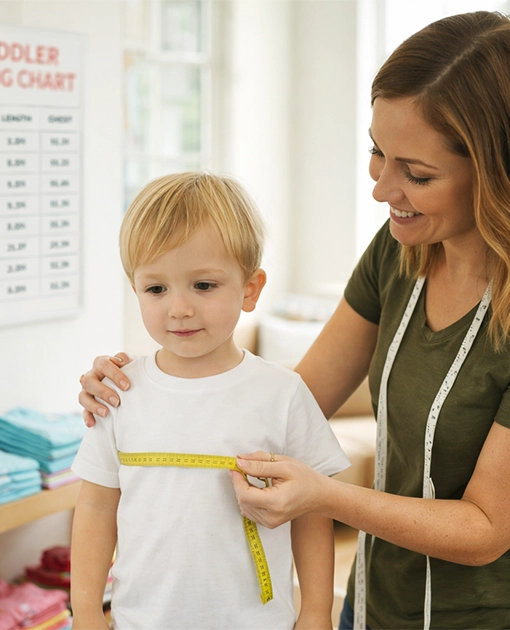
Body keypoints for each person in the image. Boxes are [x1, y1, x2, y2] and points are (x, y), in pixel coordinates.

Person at [77, 10, 510, 630]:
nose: (381, 189)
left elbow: (488, 529)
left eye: (416, 173)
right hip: (377, 597)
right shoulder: (398, 252)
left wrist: (323, 500)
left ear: (496, 173)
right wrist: (155, 393)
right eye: (376, 153)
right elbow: (289, 403)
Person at [70, 172, 349, 630]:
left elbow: (313, 511)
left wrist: (316, 612)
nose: (178, 308)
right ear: (135, 288)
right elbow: (97, 508)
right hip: (140, 621)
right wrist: (85, 614)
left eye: (203, 285)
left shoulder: (283, 393)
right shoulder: (117, 392)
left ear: (250, 289)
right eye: (156, 288)